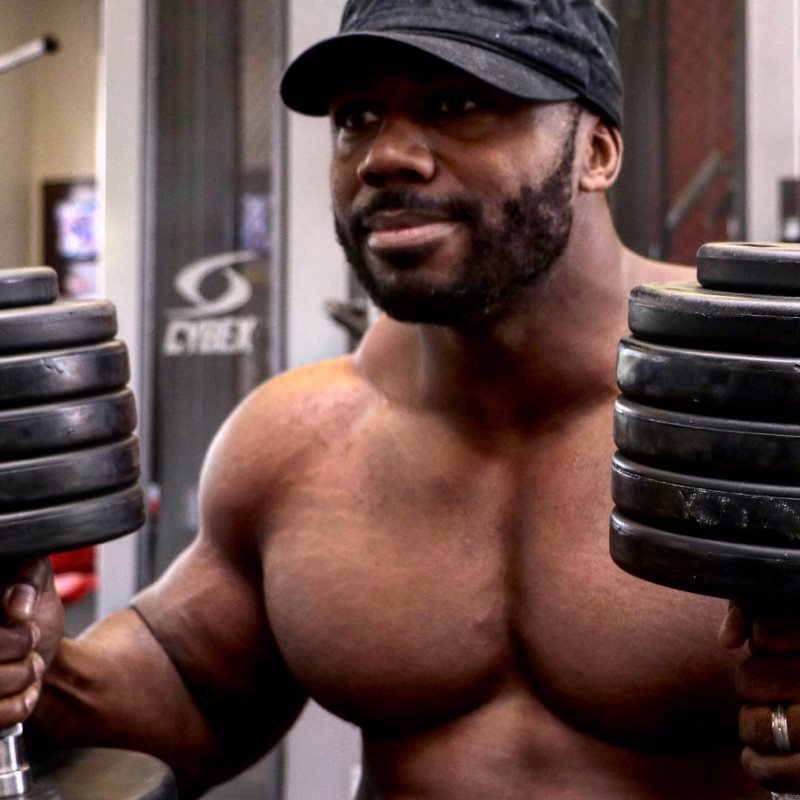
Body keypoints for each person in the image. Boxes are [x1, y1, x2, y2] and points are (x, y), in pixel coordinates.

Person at [0, 1, 796, 797]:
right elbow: (190, 692)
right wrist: (37, 664)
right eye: (357, 118)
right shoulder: (298, 439)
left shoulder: (760, 406)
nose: (385, 157)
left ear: (595, 150)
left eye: (458, 103)